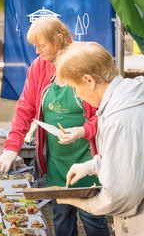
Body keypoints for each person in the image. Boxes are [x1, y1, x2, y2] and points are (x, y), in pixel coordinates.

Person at [0, 17, 110, 236]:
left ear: (59, 38)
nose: (37, 51)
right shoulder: (39, 67)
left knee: (93, 219)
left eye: (42, 45)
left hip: (88, 156)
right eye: (35, 46)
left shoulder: (86, 61)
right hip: (57, 160)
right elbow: (24, 109)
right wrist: (11, 149)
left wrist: (83, 131)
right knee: (61, 216)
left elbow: (105, 113)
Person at [55, 42, 144, 236]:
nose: (77, 94)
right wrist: (91, 166)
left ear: (89, 80)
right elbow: (131, 158)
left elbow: (121, 196)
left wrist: (83, 203)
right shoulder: (127, 95)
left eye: (74, 87)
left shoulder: (118, 119)